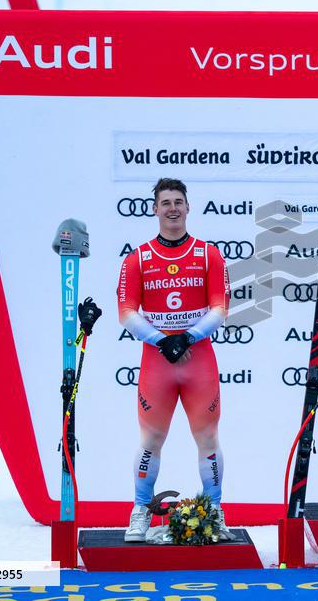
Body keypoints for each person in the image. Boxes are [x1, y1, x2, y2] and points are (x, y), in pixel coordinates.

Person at [117, 178, 230, 541]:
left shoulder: (207, 254)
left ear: (188, 207)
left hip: (198, 361)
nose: (172, 209)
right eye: (165, 203)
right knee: (150, 440)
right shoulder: (137, 258)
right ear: (154, 209)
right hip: (157, 362)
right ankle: (140, 511)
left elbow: (220, 308)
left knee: (208, 439)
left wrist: (189, 336)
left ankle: (214, 510)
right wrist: (159, 340)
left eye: (178, 202)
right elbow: (125, 311)